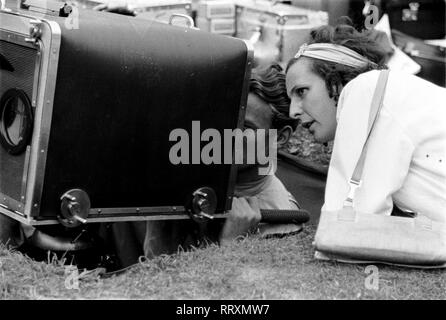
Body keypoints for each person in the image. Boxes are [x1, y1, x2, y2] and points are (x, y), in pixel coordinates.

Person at [103, 63, 303, 268]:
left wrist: (232, 246)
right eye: (225, 122)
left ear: (280, 137)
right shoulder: (191, 179)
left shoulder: (282, 222)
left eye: (246, 127)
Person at [284, 20, 446, 221]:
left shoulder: (365, 88)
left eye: (301, 91)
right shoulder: (396, 93)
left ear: (337, 78)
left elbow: (350, 225)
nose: (293, 112)